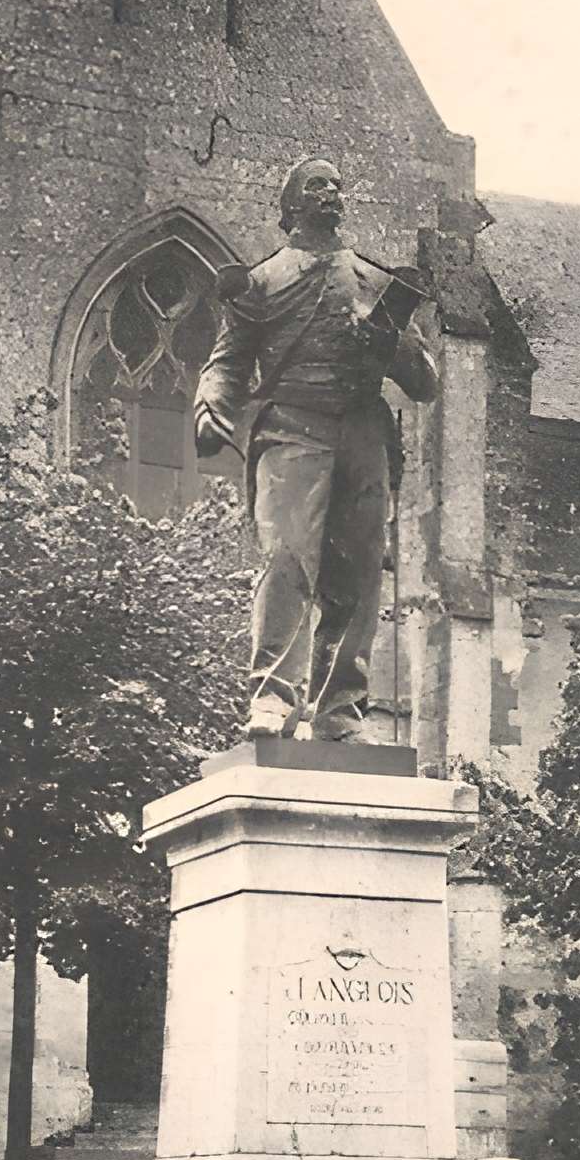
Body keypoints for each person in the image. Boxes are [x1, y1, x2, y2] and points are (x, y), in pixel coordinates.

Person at [193, 157, 438, 740]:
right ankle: (272, 699)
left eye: (337, 185)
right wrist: (211, 408)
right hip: (291, 426)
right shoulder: (261, 283)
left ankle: (340, 713)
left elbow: (424, 382)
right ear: (291, 205)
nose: (331, 192)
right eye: (316, 185)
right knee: (285, 559)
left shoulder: (375, 283)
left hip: (363, 433)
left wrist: (389, 341)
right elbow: (227, 362)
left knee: (358, 576)